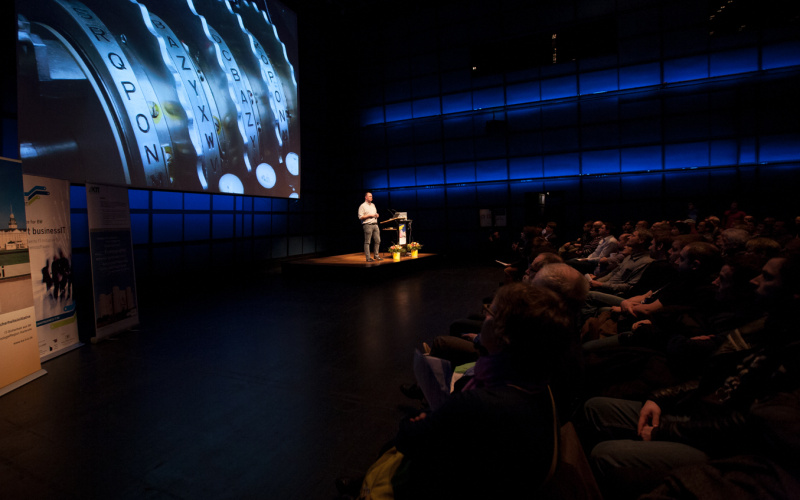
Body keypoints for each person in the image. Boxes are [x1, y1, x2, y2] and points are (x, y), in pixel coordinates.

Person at [392, 283, 573, 500]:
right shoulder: (539, 385)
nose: (484, 316)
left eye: (490, 313)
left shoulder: (478, 404)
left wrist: (413, 419)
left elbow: (409, 440)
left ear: (502, 333)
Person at [358, 192, 382, 262]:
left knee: (378, 241)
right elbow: (360, 217)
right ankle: (368, 258)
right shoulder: (362, 206)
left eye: (371, 196)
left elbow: (374, 214)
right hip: (367, 225)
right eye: (370, 196)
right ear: (366, 197)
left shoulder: (373, 205)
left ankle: (376, 255)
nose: (372, 197)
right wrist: (369, 215)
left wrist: (377, 215)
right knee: (367, 242)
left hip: (375, 225)